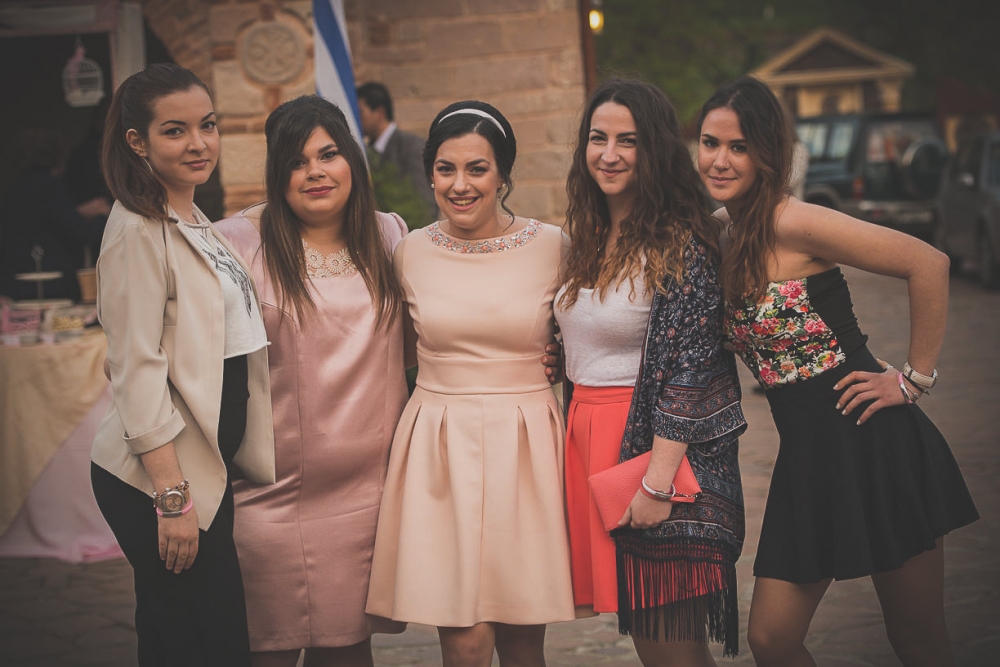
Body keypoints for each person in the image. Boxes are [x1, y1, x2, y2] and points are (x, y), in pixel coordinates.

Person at [698, 76, 980, 667]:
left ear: (767, 154)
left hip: (875, 442)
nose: (720, 160)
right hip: (807, 459)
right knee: (771, 639)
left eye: (739, 146)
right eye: (710, 142)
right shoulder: (720, 233)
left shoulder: (795, 221)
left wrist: (913, 380)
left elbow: (928, 263)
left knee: (916, 636)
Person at [366, 100, 576, 666]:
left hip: (526, 443)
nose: (460, 185)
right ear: (430, 173)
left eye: (477, 169)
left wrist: (561, 357)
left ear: (503, 174)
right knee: (463, 637)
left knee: (523, 637)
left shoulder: (554, 246)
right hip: (440, 443)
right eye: (446, 169)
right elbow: (388, 353)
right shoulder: (408, 252)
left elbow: (588, 333)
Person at [89, 63, 275, 666]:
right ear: (137, 141)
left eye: (208, 125)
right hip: (162, 478)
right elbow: (136, 369)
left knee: (178, 640)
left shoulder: (192, 220)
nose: (199, 143)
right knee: (210, 644)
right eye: (175, 130)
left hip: (202, 467)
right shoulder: (136, 228)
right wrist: (171, 497)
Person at [556, 78, 746, 665]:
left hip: (650, 450)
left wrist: (657, 483)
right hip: (590, 440)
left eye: (628, 140)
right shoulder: (588, 236)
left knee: (670, 647)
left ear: (656, 148)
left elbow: (692, 368)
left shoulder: (683, 243)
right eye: (598, 138)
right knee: (653, 641)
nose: (608, 154)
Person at [214, 95, 408, 667]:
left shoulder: (389, 236)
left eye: (328, 154)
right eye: (296, 162)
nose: (315, 172)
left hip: (367, 494)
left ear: (351, 158)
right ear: (277, 173)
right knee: (266, 648)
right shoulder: (238, 245)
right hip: (268, 492)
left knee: (349, 650)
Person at [0, 128, 108, 301]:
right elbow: (80, 232)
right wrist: (103, 215)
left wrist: (78, 212)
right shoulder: (49, 187)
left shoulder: (13, 189)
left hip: (17, 280)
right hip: (50, 283)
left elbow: (40, 221)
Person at [357, 81, 437, 226]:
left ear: (379, 112)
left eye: (360, 112)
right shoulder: (367, 153)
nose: (357, 119)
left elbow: (425, 203)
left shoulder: (411, 146)